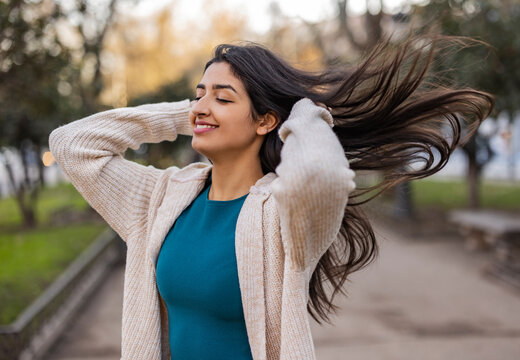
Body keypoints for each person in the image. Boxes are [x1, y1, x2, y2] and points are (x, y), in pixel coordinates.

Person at [48, 35, 493, 360]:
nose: (200, 106)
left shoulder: (283, 212)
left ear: (265, 121)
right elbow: (73, 145)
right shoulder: (161, 198)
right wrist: (192, 115)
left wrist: (304, 113)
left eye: (223, 98)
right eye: (197, 96)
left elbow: (324, 176)